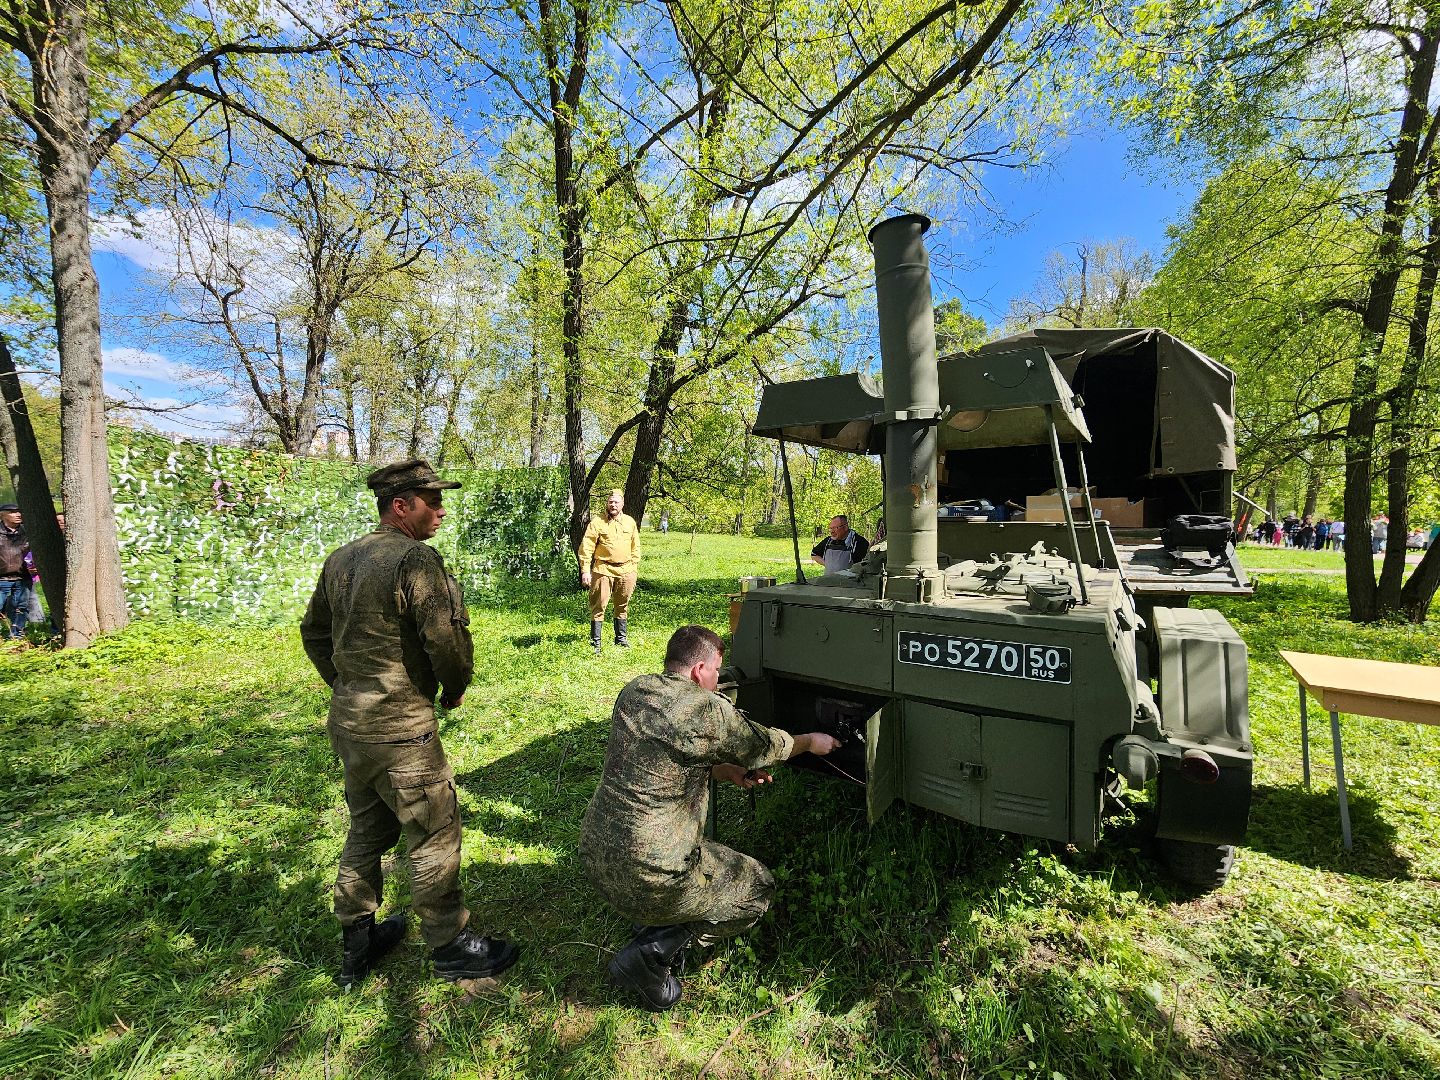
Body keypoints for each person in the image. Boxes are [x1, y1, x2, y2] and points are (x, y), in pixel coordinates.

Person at [300, 459, 519, 987]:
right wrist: (455, 686)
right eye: (431, 500)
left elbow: (314, 634)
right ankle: (450, 945)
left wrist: (347, 685)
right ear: (401, 507)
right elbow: (443, 638)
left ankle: (357, 942)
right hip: (402, 733)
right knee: (433, 834)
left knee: (366, 831)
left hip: (352, 728)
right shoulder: (415, 560)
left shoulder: (341, 559)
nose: (441, 510)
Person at [579, 625, 841, 1011]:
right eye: (717, 672)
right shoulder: (706, 709)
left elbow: (672, 758)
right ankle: (650, 953)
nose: (719, 680)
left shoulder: (636, 691)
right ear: (700, 669)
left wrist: (726, 771)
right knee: (757, 889)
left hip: (596, 858)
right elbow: (767, 746)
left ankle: (653, 915)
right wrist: (810, 742)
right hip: (652, 876)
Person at [577, 489, 641, 654]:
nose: (613, 505)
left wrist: (633, 567)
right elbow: (587, 547)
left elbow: (636, 546)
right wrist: (585, 570)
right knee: (599, 606)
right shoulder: (597, 522)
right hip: (603, 569)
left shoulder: (629, 522)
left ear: (622, 504)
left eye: (616, 502)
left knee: (622, 605)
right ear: (607, 503)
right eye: (611, 502)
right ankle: (595, 644)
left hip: (626, 570)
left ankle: (621, 639)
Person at [0, 503, 30, 638]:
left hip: (22, 577)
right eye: (13, 512)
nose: (18, 514)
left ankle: (16, 635)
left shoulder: (28, 532)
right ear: (2, 514)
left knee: (21, 608)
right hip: (1, 578)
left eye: (19, 511)